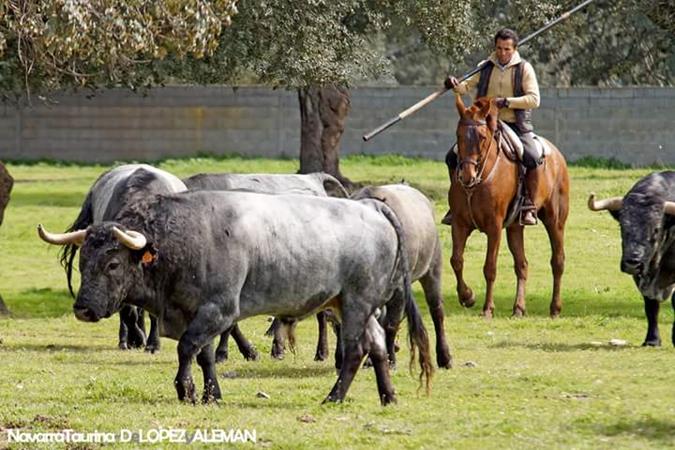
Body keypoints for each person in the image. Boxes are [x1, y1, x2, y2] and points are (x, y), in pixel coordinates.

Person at [443, 28, 541, 226]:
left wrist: (507, 102)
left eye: (507, 49)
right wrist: (453, 83)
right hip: (484, 124)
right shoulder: (485, 66)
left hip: (514, 124)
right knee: (452, 157)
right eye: (499, 48)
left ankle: (528, 205)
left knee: (532, 156)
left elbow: (534, 99)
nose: (502, 53)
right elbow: (465, 87)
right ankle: (456, 203)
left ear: (514, 49)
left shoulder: (524, 68)